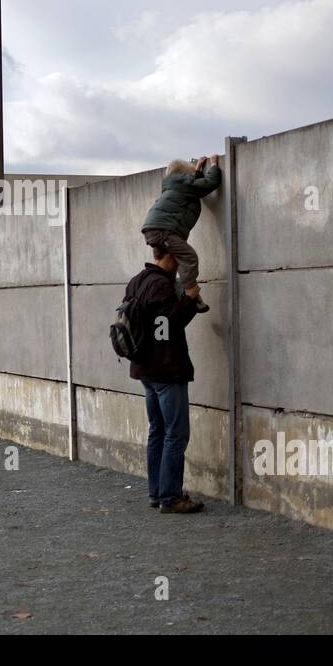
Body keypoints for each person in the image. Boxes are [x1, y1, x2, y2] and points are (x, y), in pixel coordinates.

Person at [124, 240, 204, 514]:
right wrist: (190, 298)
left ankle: (157, 492)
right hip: (166, 370)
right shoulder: (161, 284)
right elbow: (168, 325)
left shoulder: (137, 281)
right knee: (176, 433)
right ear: (171, 256)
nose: (181, 264)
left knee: (157, 430)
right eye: (179, 258)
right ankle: (170, 497)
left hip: (146, 370)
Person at [140, 155, 222, 313]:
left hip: (154, 229)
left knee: (170, 264)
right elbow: (209, 183)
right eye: (190, 174)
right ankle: (191, 294)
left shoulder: (175, 185)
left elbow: (196, 187)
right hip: (164, 231)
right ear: (183, 175)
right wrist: (213, 166)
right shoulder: (183, 184)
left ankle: (167, 290)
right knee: (189, 258)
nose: (192, 177)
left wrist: (197, 169)